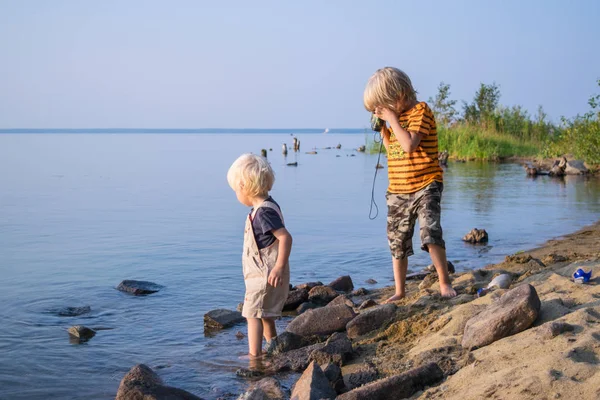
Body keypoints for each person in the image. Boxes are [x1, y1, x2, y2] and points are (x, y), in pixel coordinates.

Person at [363, 67, 456, 301]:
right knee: (398, 240)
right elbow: (393, 149)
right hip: (398, 189)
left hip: (426, 184)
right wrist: (384, 128)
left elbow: (409, 146)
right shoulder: (392, 121)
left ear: (399, 96)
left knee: (430, 232)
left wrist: (392, 120)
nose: (381, 112)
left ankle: (444, 282)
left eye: (383, 107)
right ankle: (400, 290)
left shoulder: (420, 111)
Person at [227, 153, 292, 359]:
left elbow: (285, 238)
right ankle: (274, 346)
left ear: (245, 186)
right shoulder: (266, 206)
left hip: (265, 274)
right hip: (262, 273)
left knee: (252, 314)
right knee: (265, 314)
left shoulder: (264, 212)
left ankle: (254, 355)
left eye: (236, 190)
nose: (236, 195)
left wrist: (279, 266)